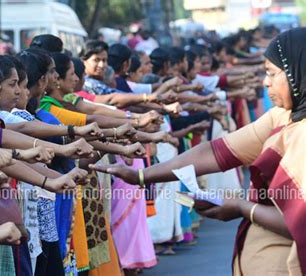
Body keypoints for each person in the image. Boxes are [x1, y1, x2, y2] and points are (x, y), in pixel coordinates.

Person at [91, 27, 306, 275]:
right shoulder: (284, 116)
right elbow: (215, 153)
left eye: (271, 73)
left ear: (296, 71)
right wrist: (142, 176)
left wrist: (241, 207)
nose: (265, 81)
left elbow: (298, 224)